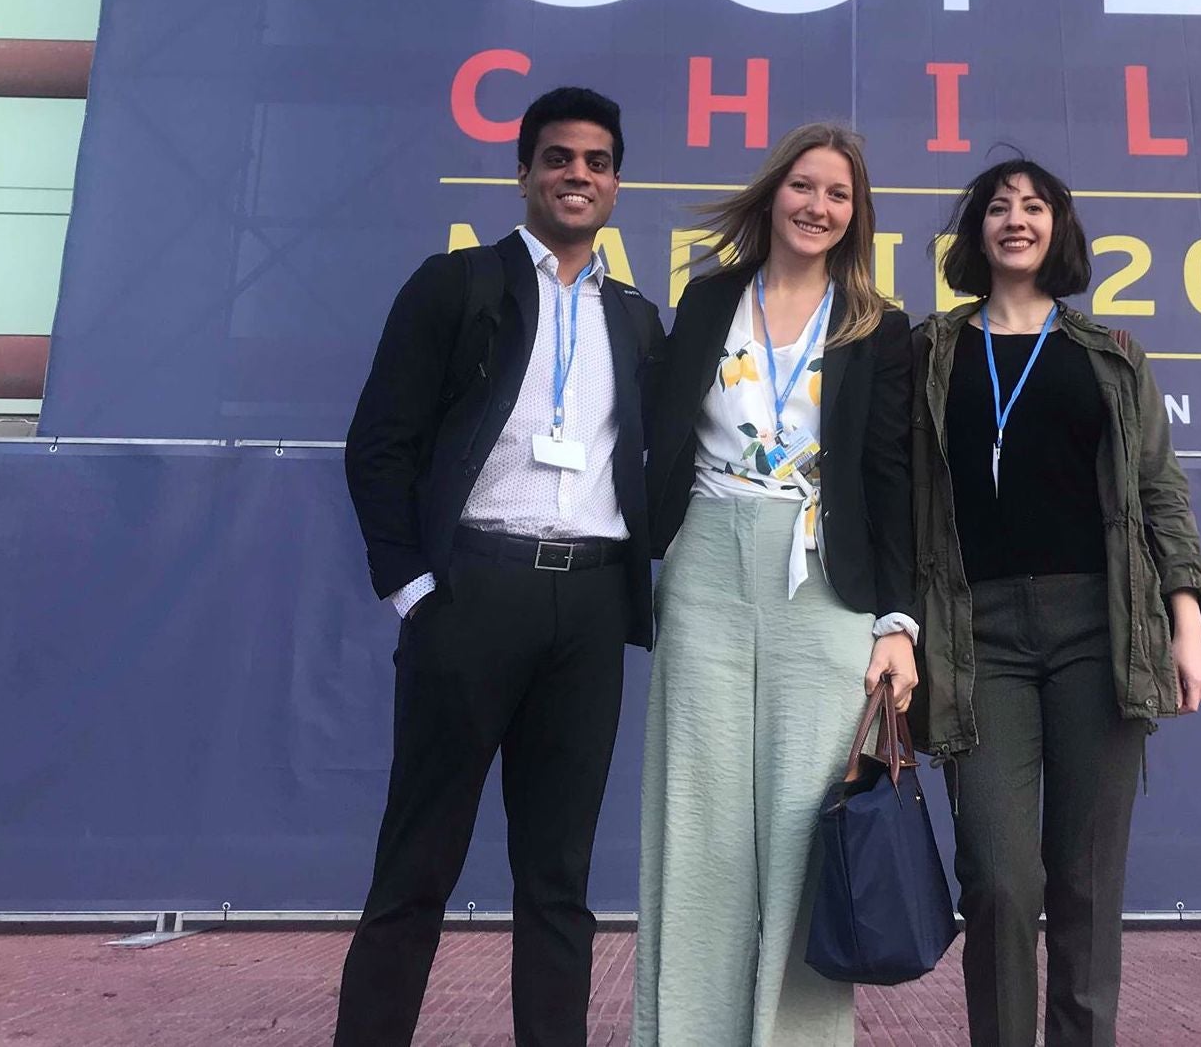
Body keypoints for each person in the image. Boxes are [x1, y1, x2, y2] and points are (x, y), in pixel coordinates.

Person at [334, 86, 664, 1047]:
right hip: (472, 593)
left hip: (590, 607)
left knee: (559, 879)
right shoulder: (457, 285)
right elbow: (379, 444)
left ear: (616, 185)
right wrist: (412, 587)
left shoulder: (636, 318)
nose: (577, 175)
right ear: (524, 173)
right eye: (558, 158)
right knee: (417, 865)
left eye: (597, 162)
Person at [910, 158, 1201, 1047]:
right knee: (1000, 880)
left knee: (1085, 883)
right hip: (976, 636)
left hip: (1100, 630)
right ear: (975, 232)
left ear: (1059, 228)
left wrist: (1187, 625)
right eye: (997, 207)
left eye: (1034, 206)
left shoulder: (1110, 354)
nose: (1016, 219)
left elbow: (1160, 494)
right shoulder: (929, 351)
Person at [632, 123, 919, 1047]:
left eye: (837, 194)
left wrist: (898, 622)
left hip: (826, 579)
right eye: (803, 185)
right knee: (699, 826)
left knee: (806, 832)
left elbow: (892, 479)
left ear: (855, 215)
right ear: (773, 193)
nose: (816, 206)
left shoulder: (877, 324)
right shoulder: (709, 297)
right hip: (707, 564)